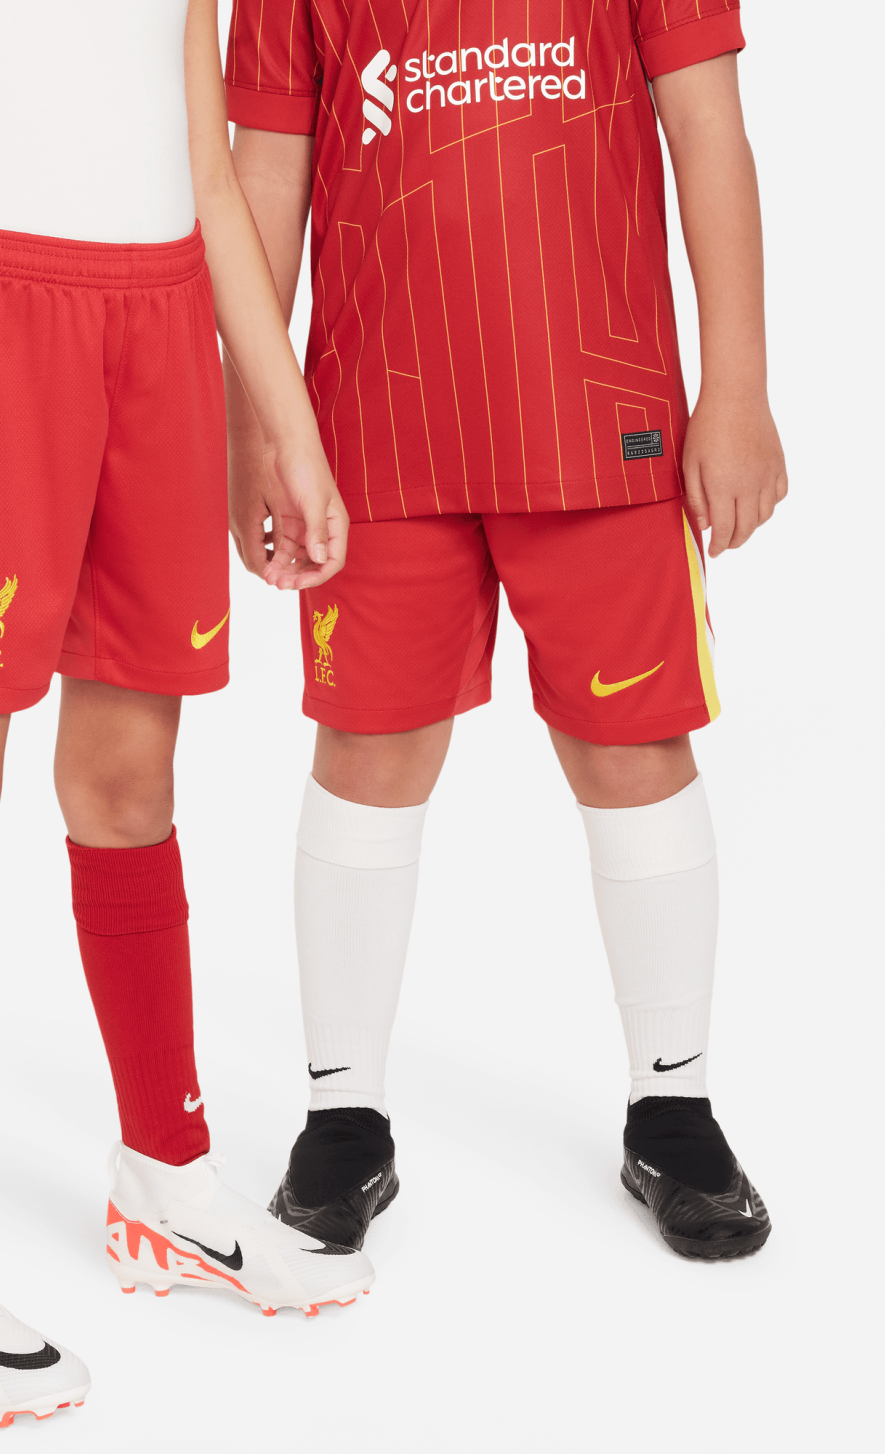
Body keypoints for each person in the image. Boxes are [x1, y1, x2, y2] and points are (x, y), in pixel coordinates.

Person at [0, 0, 370, 1427]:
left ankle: (165, 1179)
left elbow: (207, 167)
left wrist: (286, 422)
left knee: (128, 786)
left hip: (161, 335)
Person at [224, 0, 784, 1260]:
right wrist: (249, 426)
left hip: (601, 417)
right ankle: (341, 1115)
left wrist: (738, 387)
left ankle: (673, 1104)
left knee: (632, 747)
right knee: (366, 749)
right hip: (372, 428)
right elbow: (263, 173)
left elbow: (707, 125)